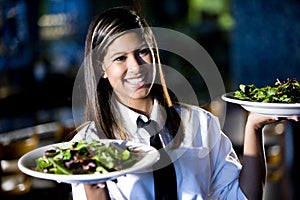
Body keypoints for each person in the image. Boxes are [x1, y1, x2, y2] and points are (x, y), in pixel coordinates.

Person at [70, 6, 298, 200]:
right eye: (120, 58)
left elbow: (241, 196)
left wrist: (254, 126)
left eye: (143, 52)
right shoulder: (88, 145)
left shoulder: (199, 123)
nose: (136, 67)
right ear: (102, 68)